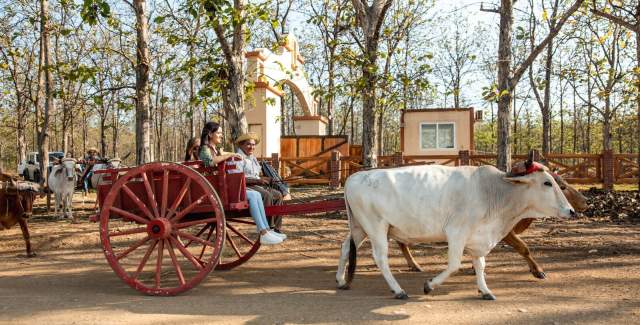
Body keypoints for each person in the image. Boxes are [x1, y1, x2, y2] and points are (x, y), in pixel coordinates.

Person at [198, 121, 284, 245]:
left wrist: (230, 154)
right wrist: (233, 154)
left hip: (221, 185)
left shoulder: (214, 149)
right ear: (210, 134)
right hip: (214, 188)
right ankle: (264, 232)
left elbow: (223, 156)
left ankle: (266, 231)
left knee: (257, 195)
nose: (221, 135)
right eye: (219, 133)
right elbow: (210, 163)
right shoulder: (205, 149)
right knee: (256, 195)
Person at [235, 133, 286, 234]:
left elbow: (256, 175)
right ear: (241, 145)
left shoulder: (252, 157)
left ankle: (277, 227)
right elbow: (237, 178)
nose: (252, 147)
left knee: (278, 195)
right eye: (248, 144)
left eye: (253, 145)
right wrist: (258, 181)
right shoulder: (238, 158)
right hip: (245, 187)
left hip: (256, 185)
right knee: (267, 195)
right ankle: (268, 227)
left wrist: (267, 179)